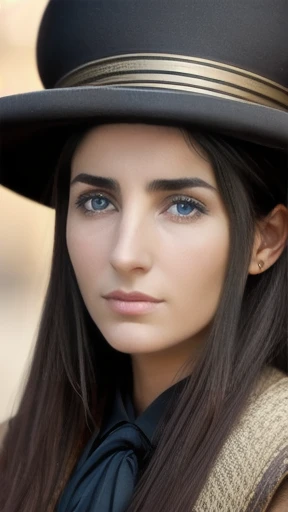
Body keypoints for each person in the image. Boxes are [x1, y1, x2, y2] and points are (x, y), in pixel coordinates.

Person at [0, 1, 288, 511]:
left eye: (182, 206)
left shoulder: (274, 467)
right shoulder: (16, 451)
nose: (126, 253)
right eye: (96, 201)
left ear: (265, 240)